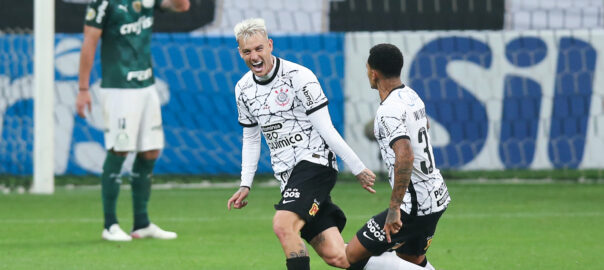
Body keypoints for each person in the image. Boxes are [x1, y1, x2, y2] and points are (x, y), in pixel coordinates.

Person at [226, 18, 376, 270]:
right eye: (247, 51)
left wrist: (358, 167)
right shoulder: (242, 89)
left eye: (259, 48)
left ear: (270, 45)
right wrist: (245, 183)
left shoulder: (299, 77)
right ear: (240, 52)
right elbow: (251, 138)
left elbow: (326, 128)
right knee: (338, 256)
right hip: (289, 178)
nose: (254, 56)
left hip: (315, 163)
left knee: (282, 225)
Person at [76, 0, 190, 241]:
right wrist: (83, 88)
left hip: (146, 85)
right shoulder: (104, 3)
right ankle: (110, 225)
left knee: (150, 151)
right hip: (118, 87)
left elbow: (182, 6)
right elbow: (89, 41)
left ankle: (141, 223)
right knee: (120, 149)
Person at [345, 43, 451, 270]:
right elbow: (425, 125)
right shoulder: (411, 95)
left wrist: (394, 208)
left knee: (351, 256)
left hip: (412, 205)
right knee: (411, 260)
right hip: (436, 196)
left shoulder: (388, 110)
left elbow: (405, 155)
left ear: (373, 73)